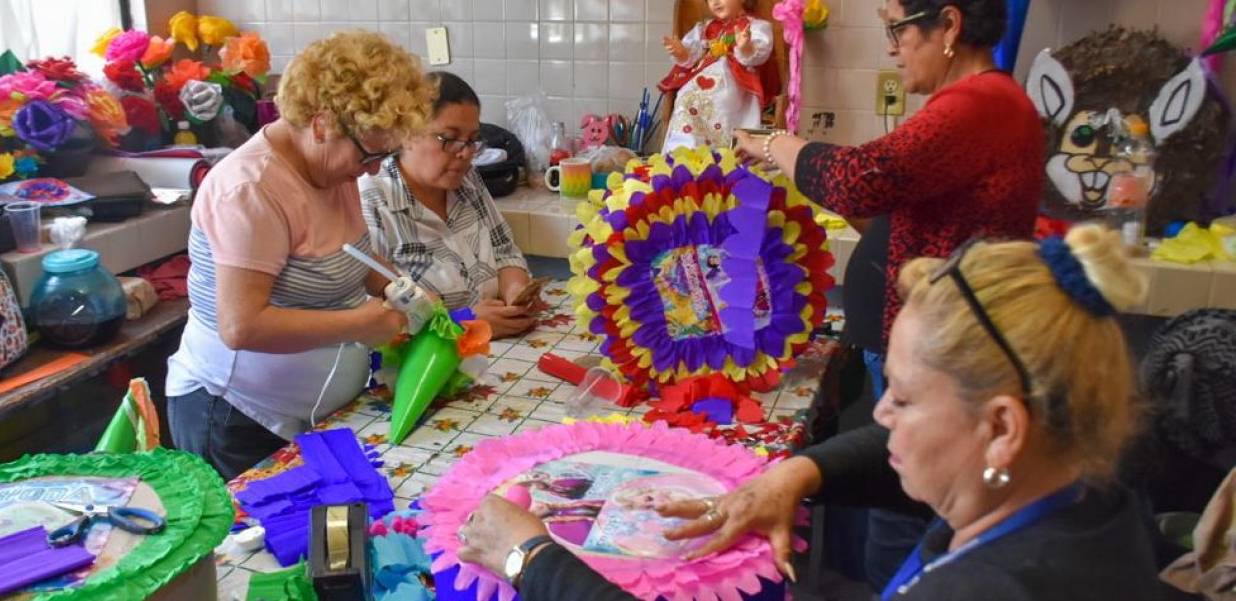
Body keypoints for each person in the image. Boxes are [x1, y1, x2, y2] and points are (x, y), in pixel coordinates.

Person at [458, 225, 1165, 600]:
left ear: (1004, 427)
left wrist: (533, 558)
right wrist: (795, 473)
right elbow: (904, 464)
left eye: (907, 397)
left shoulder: (989, 591)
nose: (880, 411)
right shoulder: (1087, 490)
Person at [736, 0, 1045, 584]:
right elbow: (890, 205)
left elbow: (864, 178)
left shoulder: (981, 102)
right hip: (919, 347)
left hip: (941, 358)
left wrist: (778, 144)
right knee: (894, 499)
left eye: (899, 28)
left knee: (905, 510)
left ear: (949, 25)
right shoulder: (978, 103)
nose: (893, 47)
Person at [166, 31, 435, 480]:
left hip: (303, 416)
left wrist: (402, 289)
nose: (372, 170)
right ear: (323, 122)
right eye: (370, 154)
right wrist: (363, 325)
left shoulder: (333, 170)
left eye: (385, 156)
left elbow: (356, 255)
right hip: (235, 419)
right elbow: (242, 325)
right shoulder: (250, 190)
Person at [359, 72, 540, 339]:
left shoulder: (467, 179)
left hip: (497, 349)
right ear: (406, 133)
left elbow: (503, 249)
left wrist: (516, 295)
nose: (465, 153)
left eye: (472, 140)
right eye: (449, 138)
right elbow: (374, 314)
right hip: (427, 361)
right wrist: (464, 322)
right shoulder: (373, 197)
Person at [658, 0, 777, 153]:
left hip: (734, 83)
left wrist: (746, 48)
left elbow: (759, 55)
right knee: (685, 98)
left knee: (720, 100)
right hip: (701, 81)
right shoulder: (706, 28)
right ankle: (683, 154)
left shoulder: (756, 27)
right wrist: (682, 52)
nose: (714, 1)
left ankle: (717, 154)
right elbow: (692, 55)